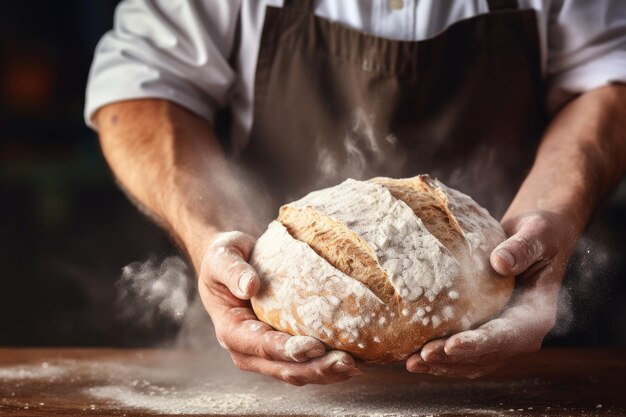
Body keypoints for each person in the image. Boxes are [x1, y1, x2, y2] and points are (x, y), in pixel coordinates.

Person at [85, 0, 626, 385]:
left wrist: (549, 211)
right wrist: (214, 234)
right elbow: (142, 85)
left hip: (530, 350)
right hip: (270, 370)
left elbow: (609, 81)